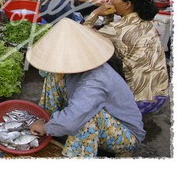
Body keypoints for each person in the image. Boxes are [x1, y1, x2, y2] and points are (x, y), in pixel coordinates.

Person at [26, 18, 145, 158]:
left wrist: (46, 128)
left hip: (125, 133)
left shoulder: (96, 79)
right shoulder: (77, 69)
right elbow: (46, 73)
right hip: (90, 112)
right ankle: (52, 122)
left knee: (83, 120)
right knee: (53, 75)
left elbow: (74, 119)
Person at [83, 0, 169, 114]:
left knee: (94, 65)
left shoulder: (118, 29)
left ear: (128, 4)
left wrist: (96, 13)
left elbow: (81, 36)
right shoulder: (145, 21)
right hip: (161, 95)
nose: (110, 0)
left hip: (138, 103)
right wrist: (109, 17)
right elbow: (110, 33)